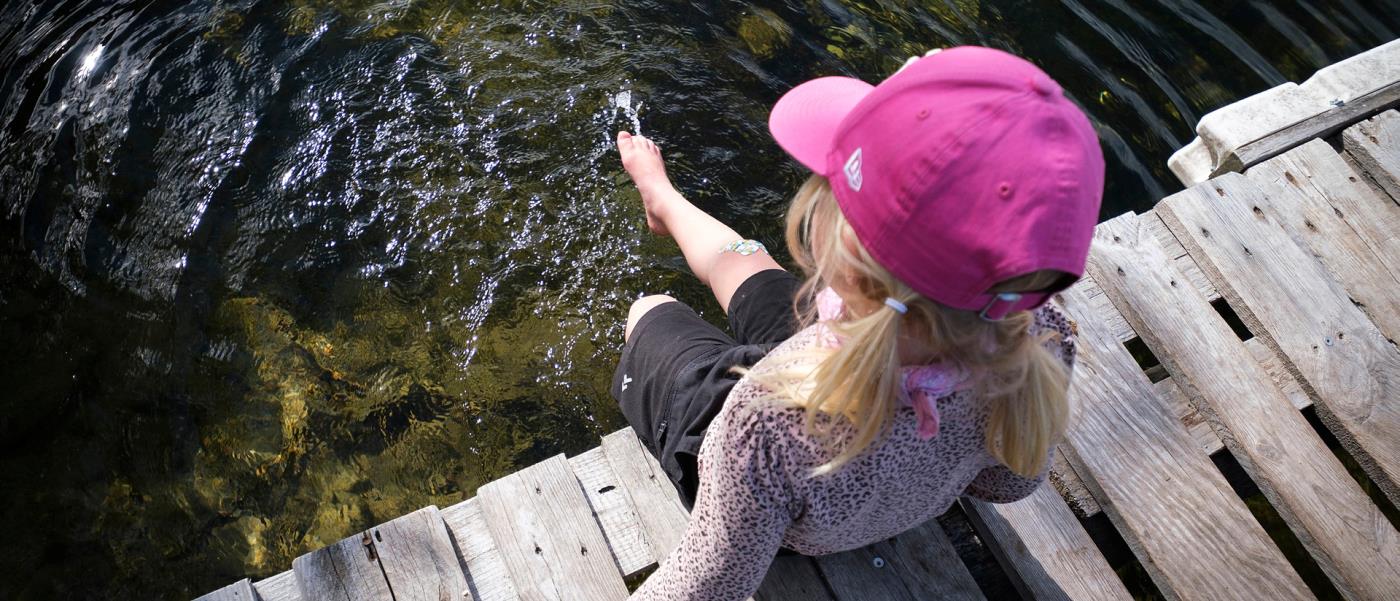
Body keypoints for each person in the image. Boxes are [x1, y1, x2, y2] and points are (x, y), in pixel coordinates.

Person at [610, 46, 1104, 600]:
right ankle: (664, 198)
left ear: (842, 249)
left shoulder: (765, 427)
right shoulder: (1040, 340)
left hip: (786, 499)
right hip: (865, 354)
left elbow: (711, 581)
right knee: (750, 269)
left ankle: (661, 222)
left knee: (650, 310)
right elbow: (1007, 482)